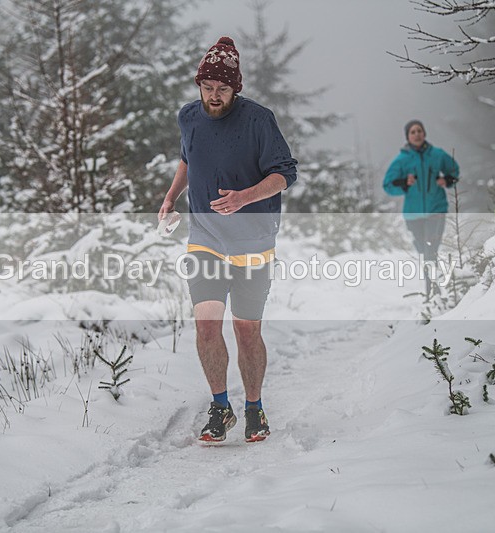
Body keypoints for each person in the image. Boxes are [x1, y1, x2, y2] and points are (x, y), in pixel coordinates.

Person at [158, 36, 298, 443]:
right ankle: (221, 406)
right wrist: (170, 199)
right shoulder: (189, 117)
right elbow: (187, 159)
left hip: (253, 241)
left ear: (235, 88)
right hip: (204, 239)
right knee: (206, 327)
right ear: (198, 85)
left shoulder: (259, 120)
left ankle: (254, 408)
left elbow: (285, 174)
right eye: (207, 88)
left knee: (246, 331)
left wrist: (245, 197)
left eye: (222, 89)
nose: (214, 96)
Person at [383, 119, 460, 298]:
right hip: (413, 214)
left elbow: (454, 171)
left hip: (436, 210)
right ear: (408, 137)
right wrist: (404, 183)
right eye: (413, 132)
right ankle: (437, 289)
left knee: (430, 250)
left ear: (424, 134)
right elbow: (388, 185)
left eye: (419, 131)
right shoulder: (402, 160)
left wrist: (446, 180)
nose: (416, 134)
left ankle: (432, 293)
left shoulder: (438, 155)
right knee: (423, 250)